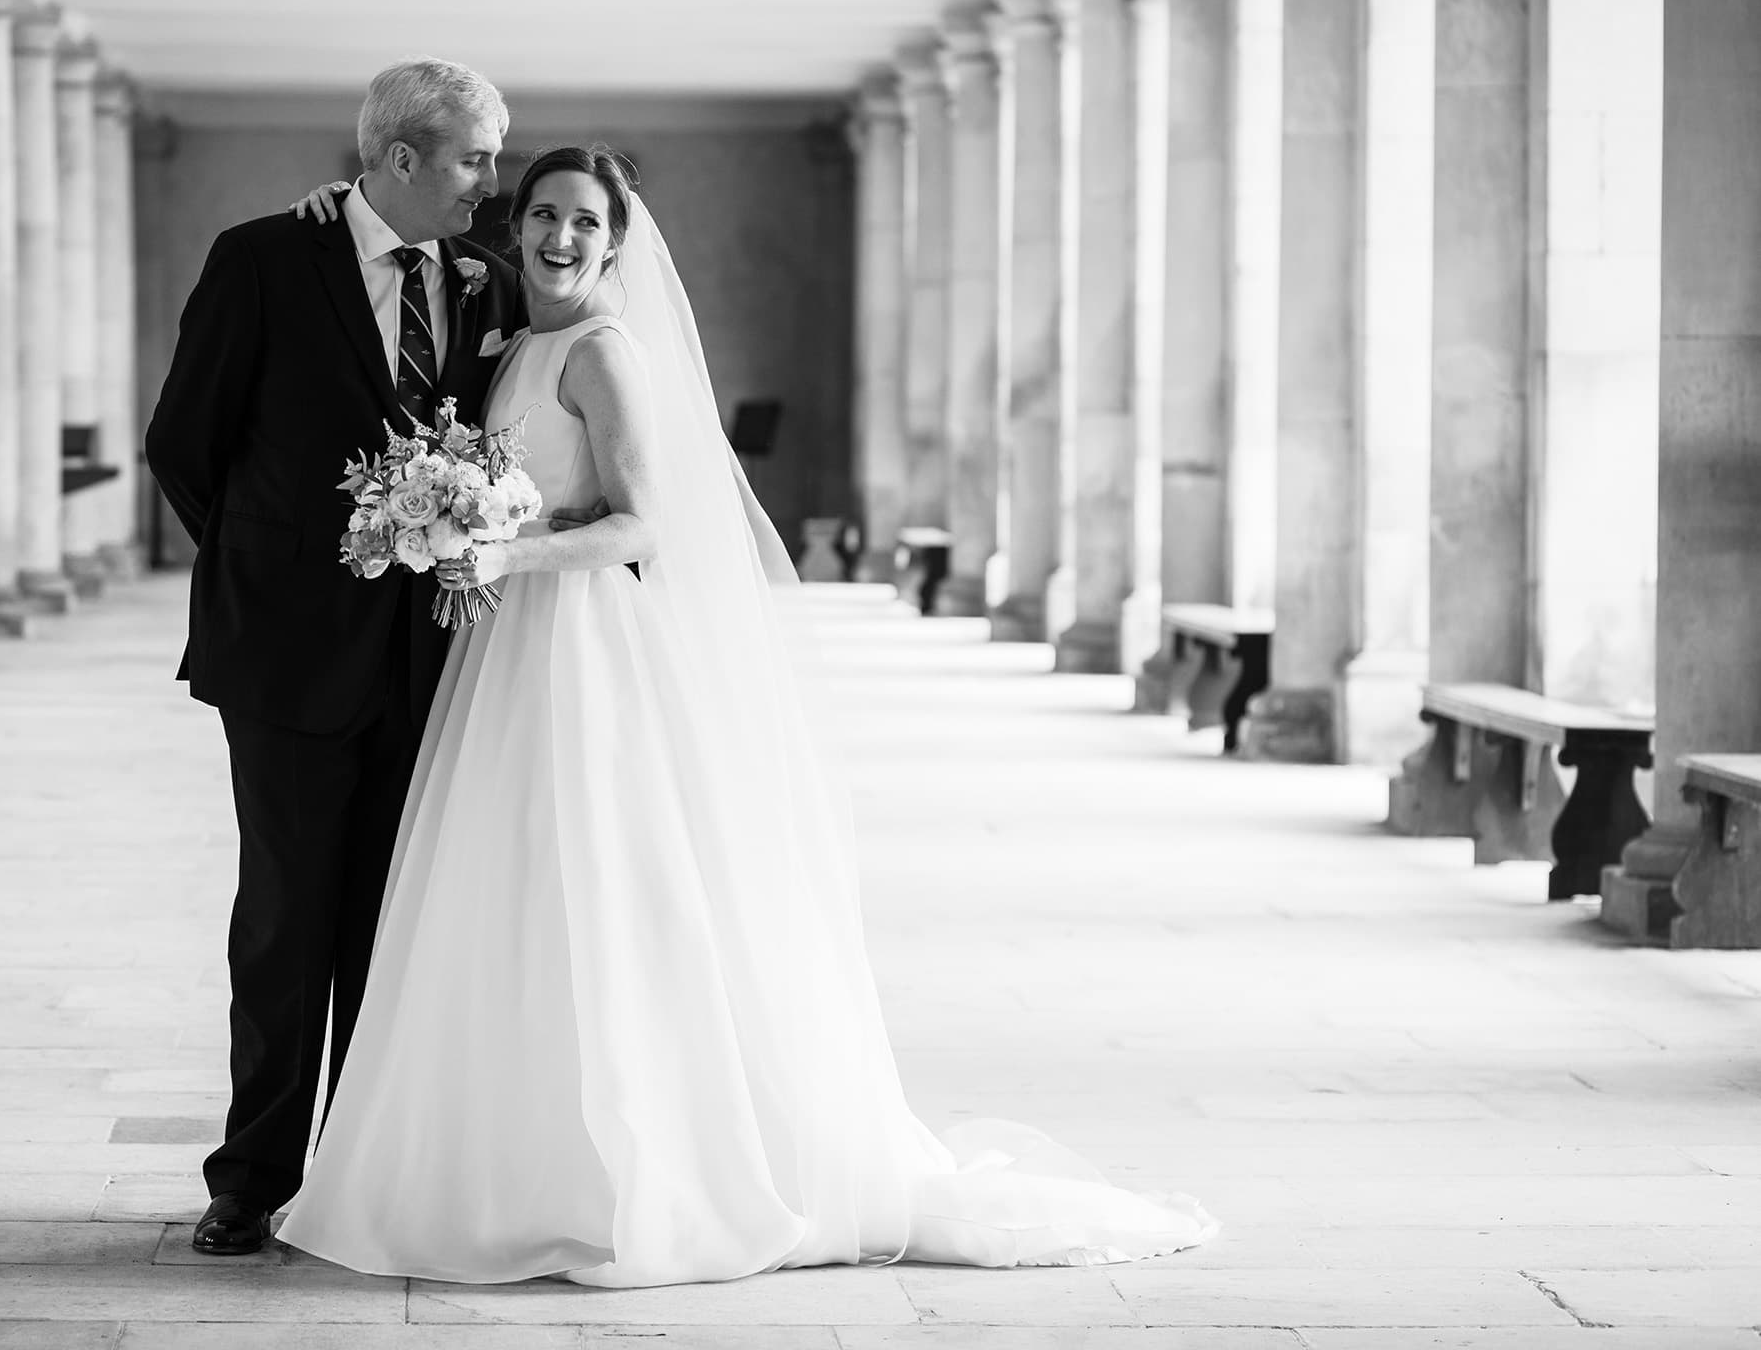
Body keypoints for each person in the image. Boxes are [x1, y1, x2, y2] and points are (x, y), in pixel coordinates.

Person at [269, 148, 1218, 1287]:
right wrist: (338, 212)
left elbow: (642, 528)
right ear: (511, 231)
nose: (561, 238)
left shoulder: (606, 352)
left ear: (617, 241)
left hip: (581, 650)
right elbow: (403, 247)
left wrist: (492, 547)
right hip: (510, 651)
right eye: (543, 217)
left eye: (585, 222)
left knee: (608, 893)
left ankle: (641, 1169)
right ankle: (518, 1159)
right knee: (514, 892)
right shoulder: (509, 342)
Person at [144, 59, 528, 1257]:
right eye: (474, 159)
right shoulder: (261, 259)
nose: (491, 183)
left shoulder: (485, 278)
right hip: (285, 656)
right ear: (401, 158)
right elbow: (184, 444)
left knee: (391, 924)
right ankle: (250, 1182)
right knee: (283, 920)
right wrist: (286, 567)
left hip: (435, 662)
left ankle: (360, 1175)